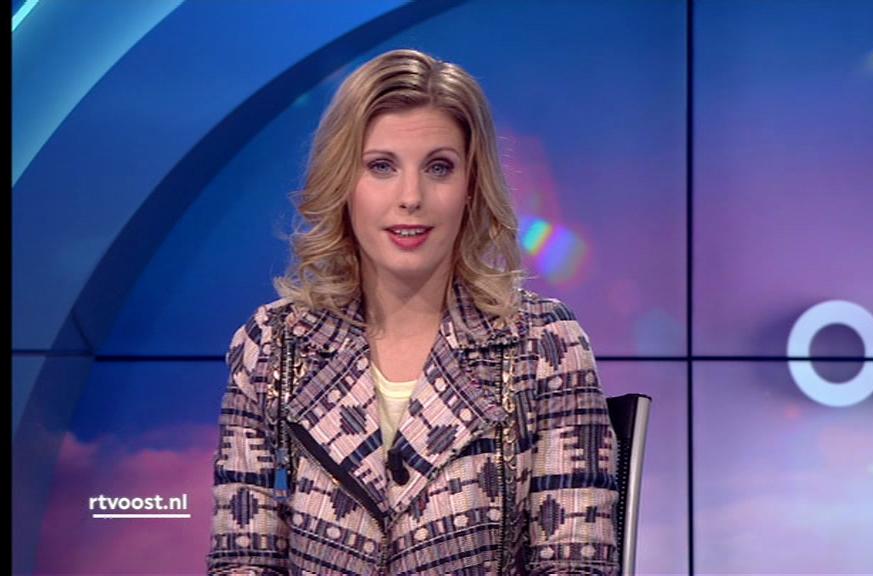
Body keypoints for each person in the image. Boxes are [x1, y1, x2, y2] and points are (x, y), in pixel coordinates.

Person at [206, 48, 620, 575]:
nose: (410, 197)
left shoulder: (544, 345)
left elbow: (575, 565)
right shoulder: (273, 347)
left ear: (471, 186)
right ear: (343, 182)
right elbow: (242, 562)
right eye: (381, 166)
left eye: (438, 168)